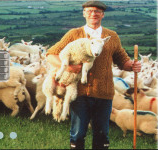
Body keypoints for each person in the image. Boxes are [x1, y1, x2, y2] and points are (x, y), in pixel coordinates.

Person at [46, 1, 141, 149]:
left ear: (102, 14)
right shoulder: (74, 34)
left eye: (97, 11)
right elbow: (51, 54)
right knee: (78, 133)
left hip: (104, 93)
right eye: (89, 11)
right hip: (79, 93)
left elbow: (122, 60)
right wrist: (69, 67)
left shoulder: (112, 36)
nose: (93, 14)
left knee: (102, 135)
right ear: (84, 13)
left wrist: (132, 65)